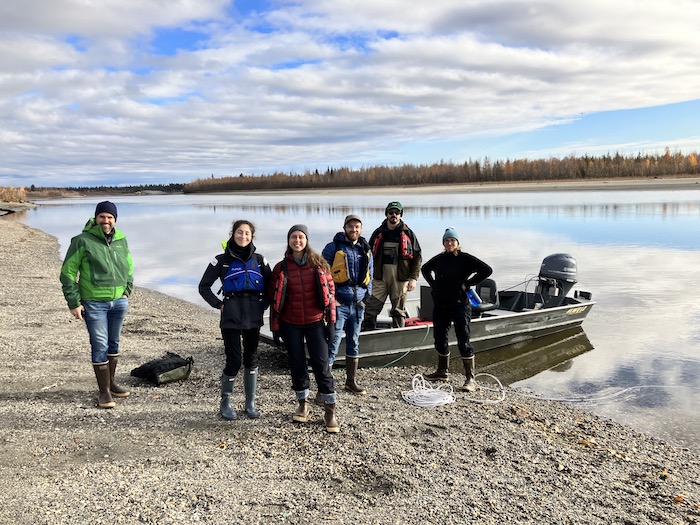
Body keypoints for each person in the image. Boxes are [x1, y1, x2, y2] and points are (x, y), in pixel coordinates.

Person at [60, 201, 134, 409]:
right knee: (100, 344)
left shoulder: (121, 240)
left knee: (114, 343)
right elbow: (67, 273)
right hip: (94, 303)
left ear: (115, 219)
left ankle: (110, 383)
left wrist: (127, 290)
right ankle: (103, 392)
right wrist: (74, 302)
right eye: (102, 216)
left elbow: (129, 267)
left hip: (118, 301)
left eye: (110, 217)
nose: (106, 220)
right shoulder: (82, 241)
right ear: (96, 218)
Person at [268, 225, 339, 433]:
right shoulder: (281, 267)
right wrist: (276, 327)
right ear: (288, 241)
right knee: (297, 364)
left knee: (322, 366)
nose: (297, 241)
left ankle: (330, 410)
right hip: (291, 324)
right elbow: (274, 298)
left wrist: (331, 324)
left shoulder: (319, 264)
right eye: (293, 237)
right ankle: (303, 403)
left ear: (306, 240)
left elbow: (331, 295)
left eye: (300, 237)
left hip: (316, 322)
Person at [198, 219, 271, 420]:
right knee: (234, 361)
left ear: (252, 236)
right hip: (231, 314)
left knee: (251, 358)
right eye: (239, 233)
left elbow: (272, 287)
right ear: (233, 234)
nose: (243, 237)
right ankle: (226, 402)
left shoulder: (260, 260)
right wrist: (218, 304)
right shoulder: (221, 260)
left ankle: (250, 402)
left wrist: (262, 306)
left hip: (253, 316)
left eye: (247, 233)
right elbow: (203, 287)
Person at [421, 227, 492, 391]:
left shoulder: (465, 259)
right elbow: (425, 269)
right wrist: (434, 286)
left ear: (458, 243)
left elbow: (486, 270)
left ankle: (470, 379)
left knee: (463, 340)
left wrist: (468, 283)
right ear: (443, 243)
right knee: (439, 338)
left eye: (452, 240)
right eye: (446, 240)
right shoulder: (439, 259)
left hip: (460, 305)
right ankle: (442, 372)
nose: (449, 243)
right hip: (441, 305)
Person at [321, 214, 374, 396]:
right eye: (350, 226)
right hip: (339, 304)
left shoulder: (365, 249)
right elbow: (321, 275)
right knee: (333, 343)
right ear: (345, 228)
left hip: (358, 305)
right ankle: (324, 387)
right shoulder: (332, 248)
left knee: (354, 342)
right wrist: (330, 299)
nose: (354, 230)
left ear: (361, 229)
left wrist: (366, 299)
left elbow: (371, 275)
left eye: (357, 227)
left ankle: (351, 382)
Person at [364, 201, 422, 329]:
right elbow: (367, 255)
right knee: (371, 307)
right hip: (380, 277)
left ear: (400, 215)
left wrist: (413, 278)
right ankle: (367, 333)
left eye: (397, 213)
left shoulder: (409, 234)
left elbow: (417, 257)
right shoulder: (378, 233)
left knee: (398, 310)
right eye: (391, 213)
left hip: (400, 279)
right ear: (386, 215)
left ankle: (398, 335)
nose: (394, 215)